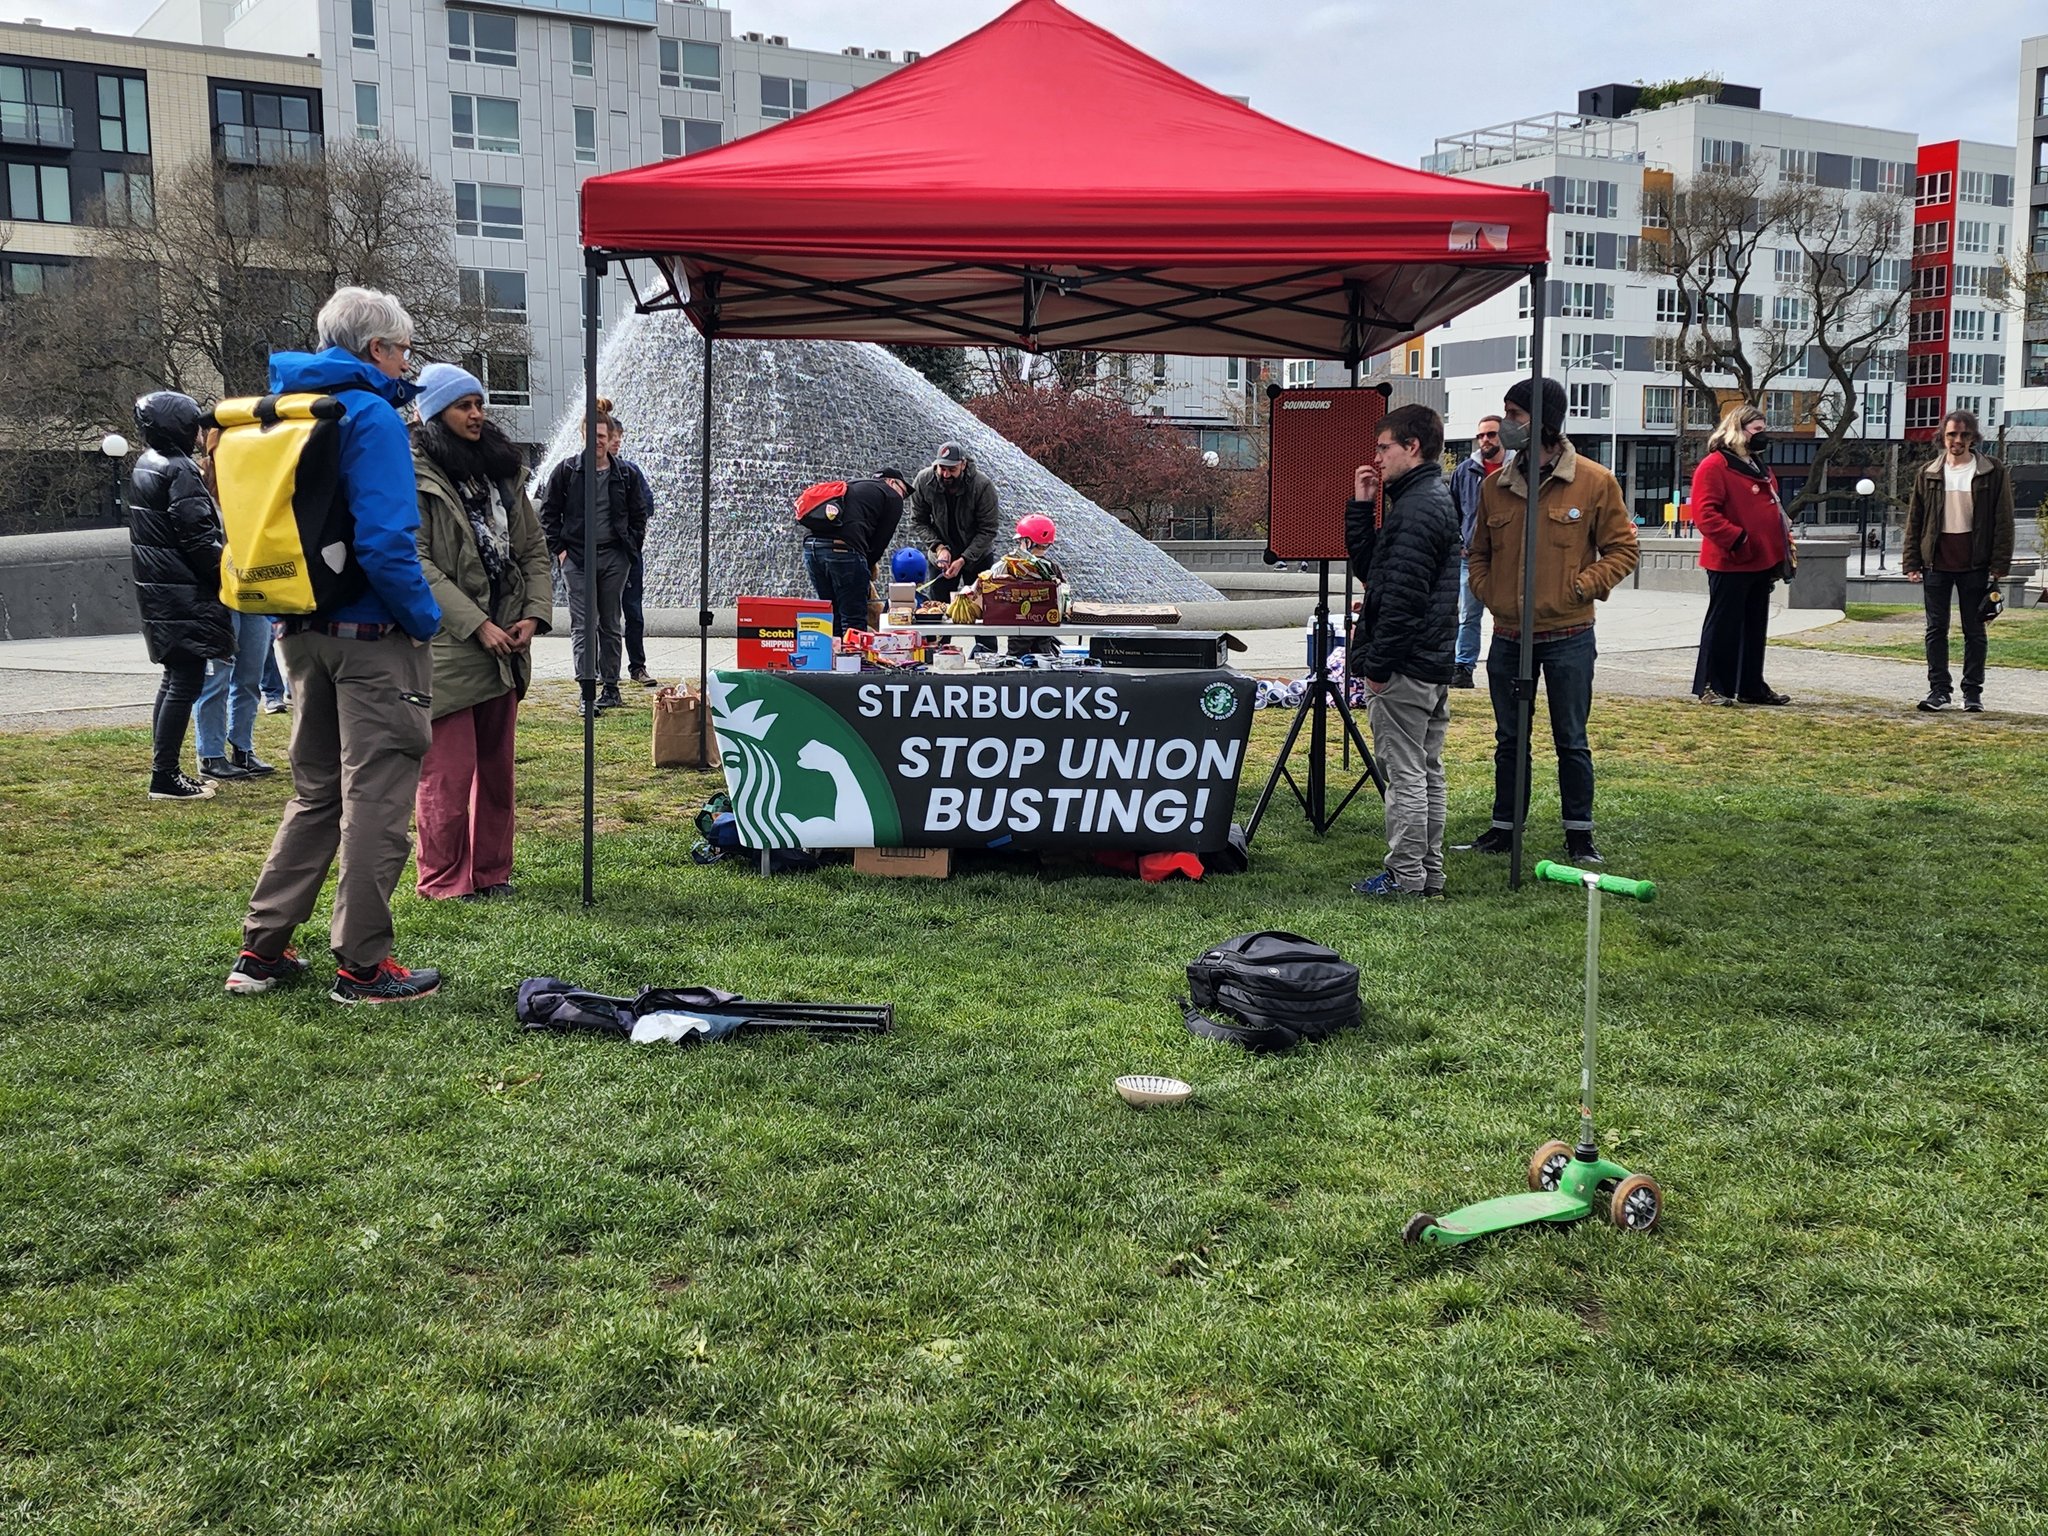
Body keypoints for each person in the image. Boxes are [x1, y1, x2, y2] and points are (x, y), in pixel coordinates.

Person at [227, 286, 443, 1005]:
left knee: (314, 793)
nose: (407, 361)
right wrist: (424, 619)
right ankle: (363, 966)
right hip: (372, 637)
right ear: (377, 350)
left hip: (299, 626)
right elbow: (387, 539)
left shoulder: (284, 408)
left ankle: (262, 950)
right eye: (403, 348)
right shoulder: (372, 413)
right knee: (376, 796)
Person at [1463, 375, 1638, 866]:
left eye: (1514, 416)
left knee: (1571, 739)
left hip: (1570, 636)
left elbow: (1623, 549)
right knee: (1509, 738)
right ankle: (1504, 827)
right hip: (1508, 636)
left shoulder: (1595, 480)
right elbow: (1478, 552)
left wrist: (1581, 587)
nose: (1504, 425)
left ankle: (1579, 835)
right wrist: (1489, 590)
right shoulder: (1495, 486)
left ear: (1542, 422)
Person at [408, 363, 554, 902]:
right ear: (433, 415)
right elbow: (416, 562)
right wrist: (477, 624)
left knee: (496, 773)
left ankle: (491, 874)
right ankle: (444, 879)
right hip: (449, 645)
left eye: (478, 403)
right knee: (446, 776)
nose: (476, 414)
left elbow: (533, 550)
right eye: (462, 405)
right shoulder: (413, 472)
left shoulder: (501, 471)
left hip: (506, 644)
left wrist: (533, 615)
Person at [1348, 404, 1461, 900]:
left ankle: (1405, 877)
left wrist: (1378, 667)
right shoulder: (1421, 500)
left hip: (1406, 666)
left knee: (1406, 774)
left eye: (1383, 447)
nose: (1377, 457)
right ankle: (1427, 875)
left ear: (1411, 447)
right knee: (1426, 770)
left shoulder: (1418, 508)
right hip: (1428, 662)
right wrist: (1362, 506)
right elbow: (1374, 569)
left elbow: (1400, 600)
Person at [128, 391, 235, 802]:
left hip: (161, 589)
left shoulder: (146, 464)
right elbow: (198, 536)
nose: (197, 431)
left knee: (175, 678)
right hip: (182, 591)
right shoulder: (180, 470)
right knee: (184, 679)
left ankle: (164, 770)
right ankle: (165, 775)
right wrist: (227, 577)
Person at [539, 397, 651, 715]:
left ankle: (611, 686)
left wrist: (630, 550)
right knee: (583, 624)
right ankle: (587, 690)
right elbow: (549, 513)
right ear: (584, 435)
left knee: (610, 623)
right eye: (594, 435)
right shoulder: (566, 471)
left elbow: (638, 513)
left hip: (614, 557)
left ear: (609, 436)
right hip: (576, 557)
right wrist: (560, 551)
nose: (599, 442)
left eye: (603, 436)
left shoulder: (625, 475)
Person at [1903, 408, 2014, 713]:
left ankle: (1973, 693)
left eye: (1964, 435)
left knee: (1974, 631)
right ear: (1943, 437)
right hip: (1936, 562)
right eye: (1952, 434)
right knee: (1936, 629)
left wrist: (2000, 563)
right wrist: (1911, 561)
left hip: (1975, 563)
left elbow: (2003, 519)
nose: (1958, 440)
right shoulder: (1928, 472)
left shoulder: (1992, 470)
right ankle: (1939, 691)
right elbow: (1916, 519)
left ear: (1973, 438)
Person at [1687, 404, 1791, 707]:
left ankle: (1750, 685)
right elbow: (1705, 514)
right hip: (1731, 559)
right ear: (1738, 429)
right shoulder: (1714, 465)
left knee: (1754, 625)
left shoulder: (1758, 465)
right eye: (1757, 429)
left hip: (1761, 560)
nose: (1763, 435)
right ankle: (1711, 686)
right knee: (1723, 625)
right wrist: (1739, 539)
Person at [801, 470, 911, 635]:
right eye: (903, 491)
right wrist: (866, 573)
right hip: (844, 550)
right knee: (853, 619)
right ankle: (853, 660)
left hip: (811, 548)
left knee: (832, 615)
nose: (903, 497)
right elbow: (880, 542)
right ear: (891, 482)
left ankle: (834, 658)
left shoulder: (854, 485)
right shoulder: (892, 496)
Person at [1445, 414, 1504, 689]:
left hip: (1509, 559)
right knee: (1468, 615)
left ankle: (1508, 670)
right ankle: (1463, 667)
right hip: (1473, 559)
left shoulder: (1519, 468)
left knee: (1509, 616)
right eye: (1481, 436)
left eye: (1491, 434)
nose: (1485, 440)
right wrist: (1458, 543)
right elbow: (1452, 511)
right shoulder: (1465, 471)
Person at [607, 415, 661, 689]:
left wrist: (632, 537)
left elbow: (646, 507)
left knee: (633, 613)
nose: (617, 441)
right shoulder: (578, 471)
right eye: (612, 436)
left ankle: (637, 666)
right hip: (601, 554)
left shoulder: (631, 472)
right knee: (604, 616)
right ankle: (605, 671)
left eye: (619, 437)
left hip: (628, 553)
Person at [908, 441, 1001, 601]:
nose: (946, 475)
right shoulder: (923, 481)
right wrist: (938, 548)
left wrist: (964, 559)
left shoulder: (982, 486)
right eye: (942, 468)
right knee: (938, 606)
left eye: (952, 470)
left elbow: (988, 529)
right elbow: (918, 520)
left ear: (963, 465)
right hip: (941, 557)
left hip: (978, 556)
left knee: (980, 607)